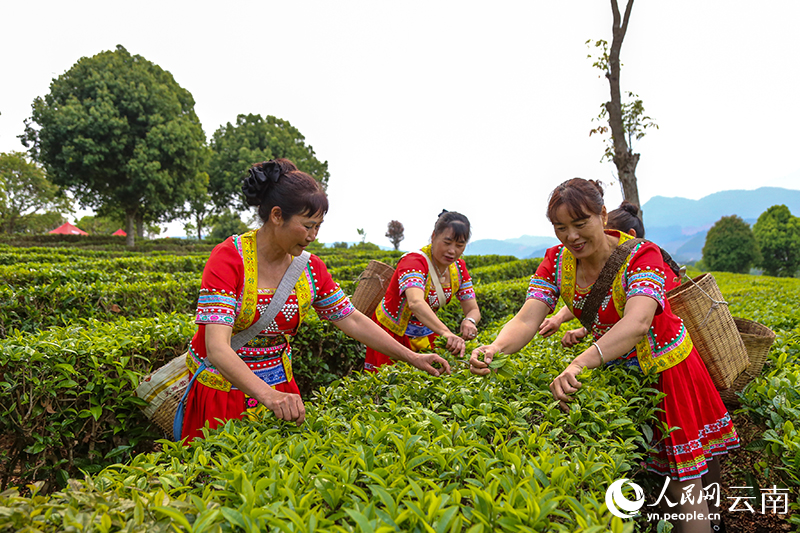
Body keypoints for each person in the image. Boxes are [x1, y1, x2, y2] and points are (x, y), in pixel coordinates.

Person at [469, 178, 738, 533]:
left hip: (667, 369)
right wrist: (494, 348)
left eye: (581, 224)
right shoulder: (556, 262)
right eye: (561, 228)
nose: (571, 237)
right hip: (619, 367)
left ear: (602, 215)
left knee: (683, 482)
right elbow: (526, 318)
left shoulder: (643, 255)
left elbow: (638, 322)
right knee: (671, 474)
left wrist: (581, 360)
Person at [180, 158, 451, 441]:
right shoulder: (230, 258)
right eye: (308, 226)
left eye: (319, 227)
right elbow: (217, 348)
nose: (313, 236)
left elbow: (352, 319)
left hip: (281, 390)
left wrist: (412, 357)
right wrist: (268, 396)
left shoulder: (308, 268)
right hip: (223, 392)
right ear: (276, 215)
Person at [539, 200, 681, 347]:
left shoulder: (652, 268)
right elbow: (602, 301)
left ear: (630, 236)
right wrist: (559, 318)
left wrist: (580, 358)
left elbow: (640, 317)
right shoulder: (605, 266)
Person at [364, 210, 481, 372]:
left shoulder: (459, 268)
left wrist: (470, 321)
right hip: (392, 334)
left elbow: (473, 309)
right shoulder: (414, 262)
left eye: (459, 245)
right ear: (434, 237)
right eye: (447, 243)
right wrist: (446, 333)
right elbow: (415, 302)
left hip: (426, 332)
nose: (452, 251)